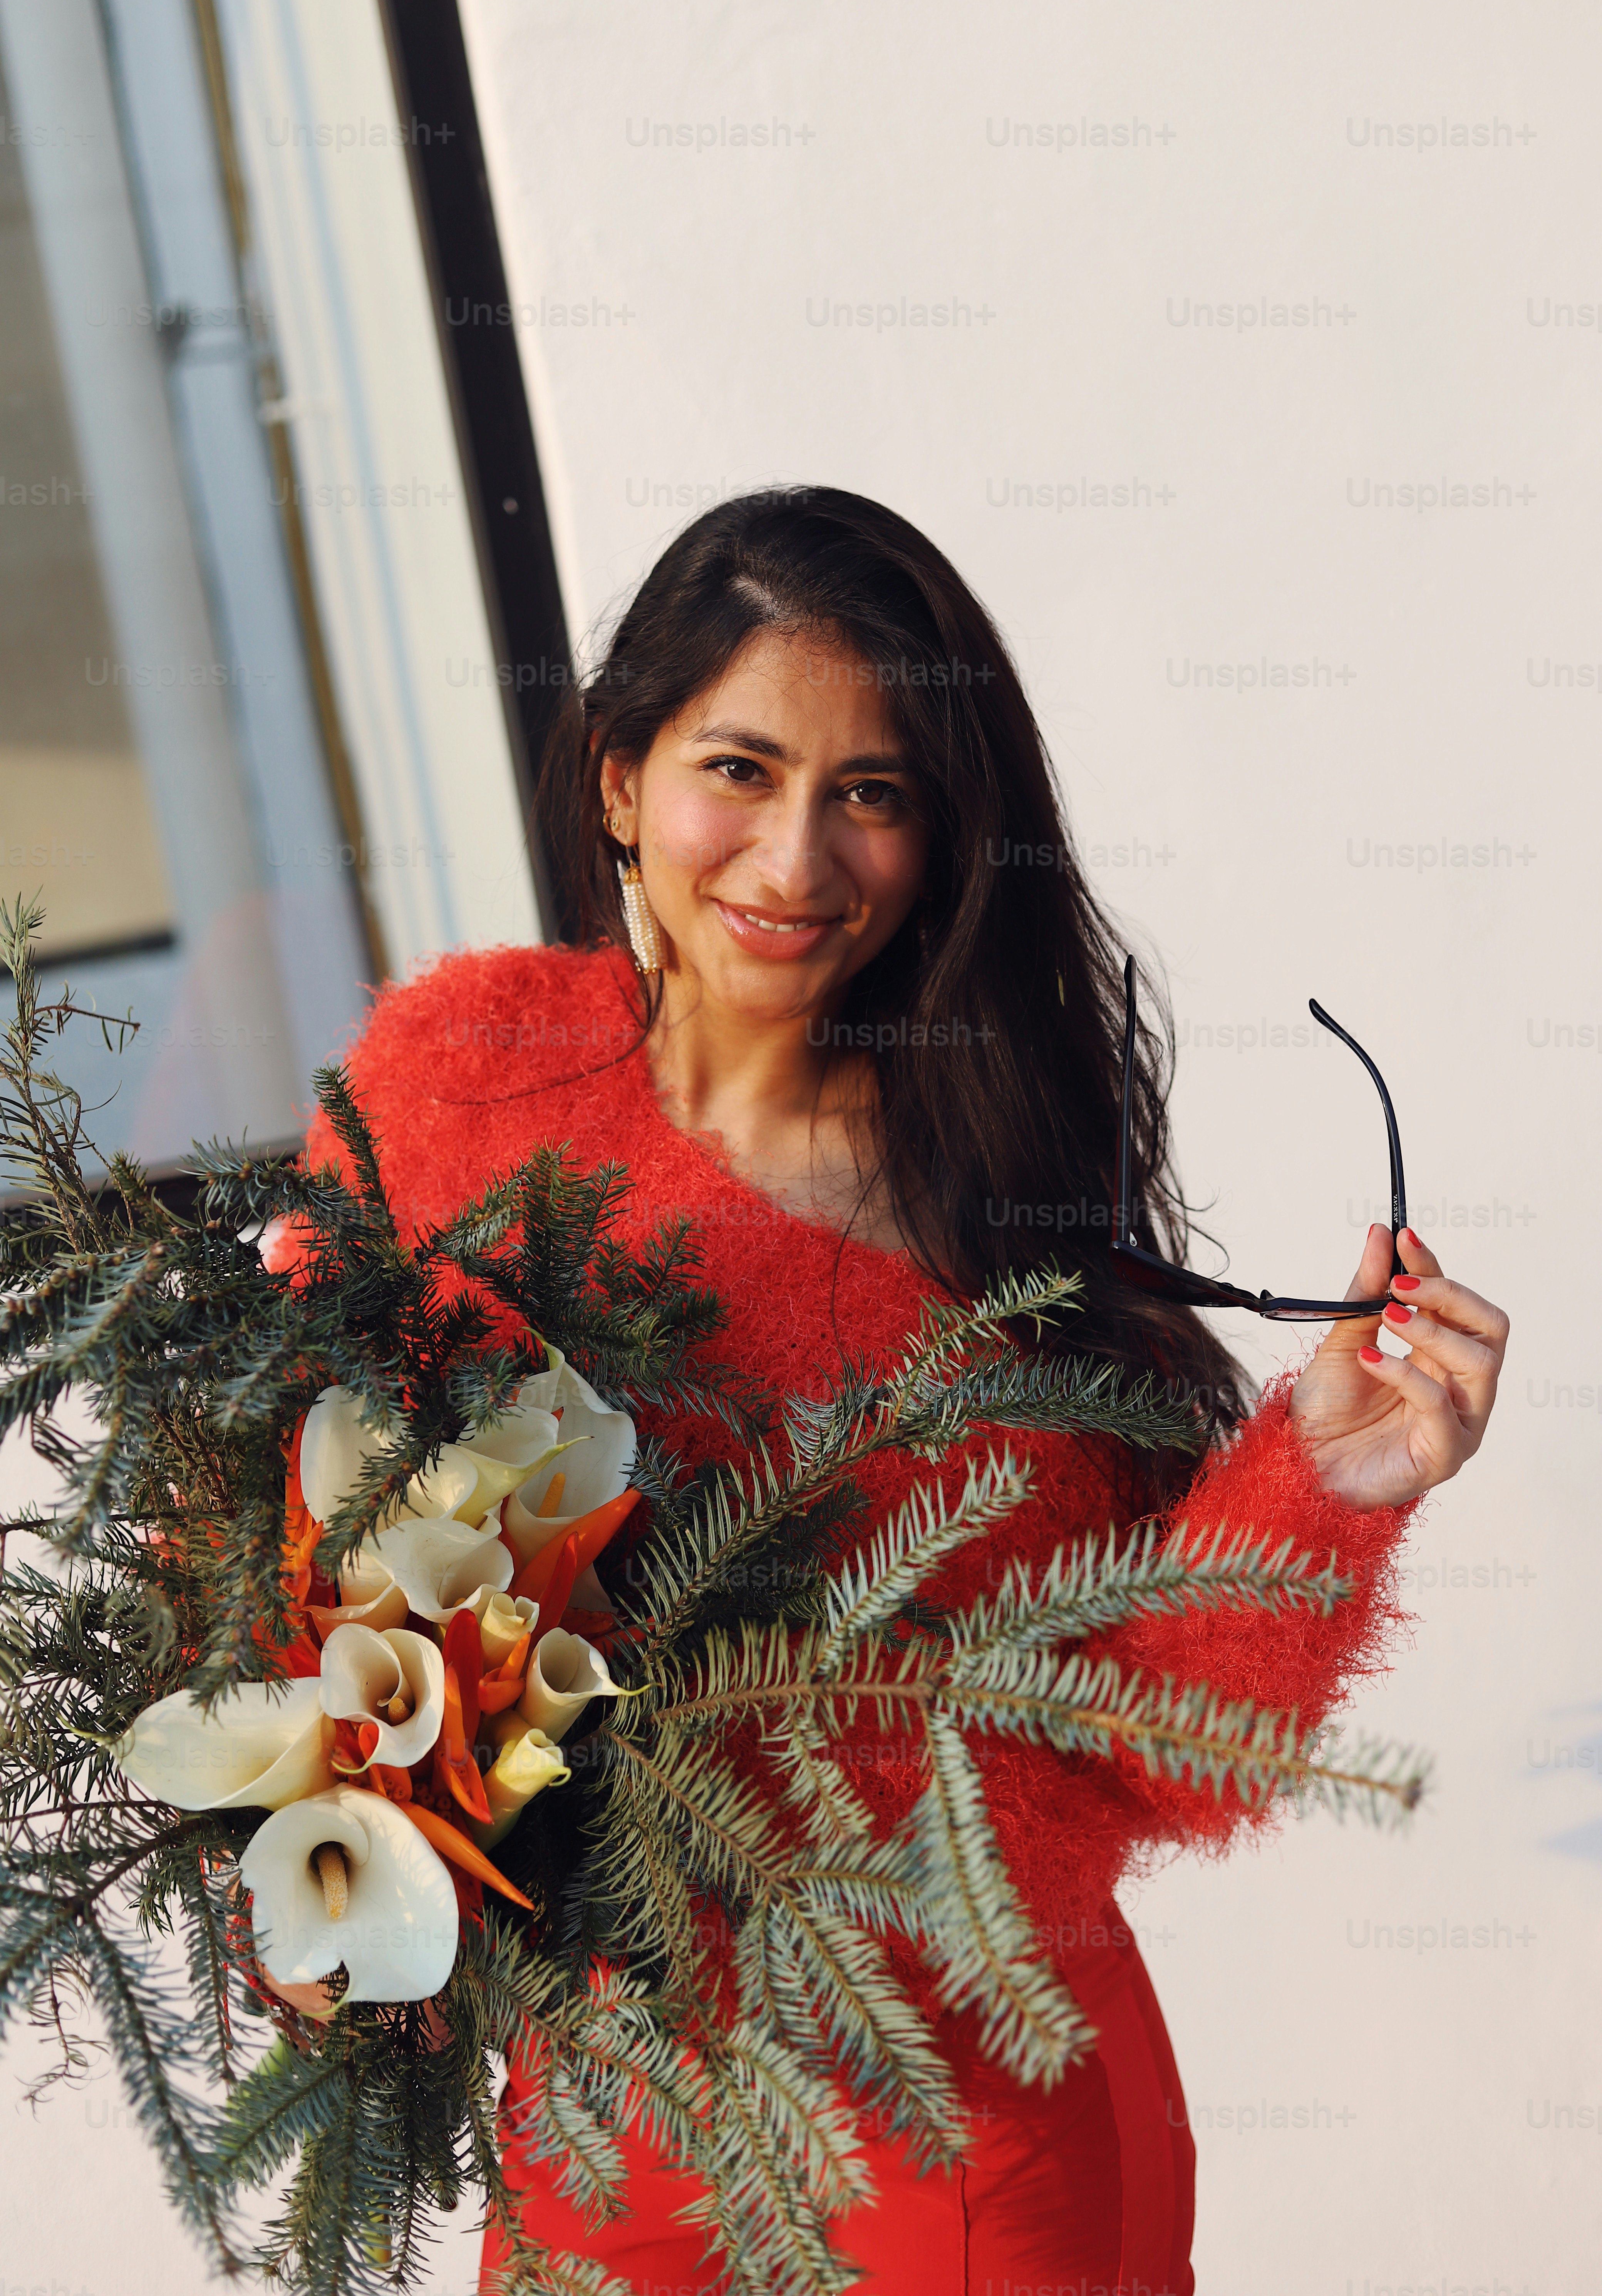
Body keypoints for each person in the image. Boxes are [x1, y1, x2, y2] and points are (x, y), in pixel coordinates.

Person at [298, 488, 1508, 2293]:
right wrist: (329, 1848)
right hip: (602, 2106)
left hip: (957, 2129)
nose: (793, 862)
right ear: (620, 781)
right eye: (739, 770)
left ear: (938, 838)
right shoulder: (451, 1077)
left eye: (868, 794)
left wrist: (1321, 1492)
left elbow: (1118, 1737)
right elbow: (273, 1515)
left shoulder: (987, 1202)